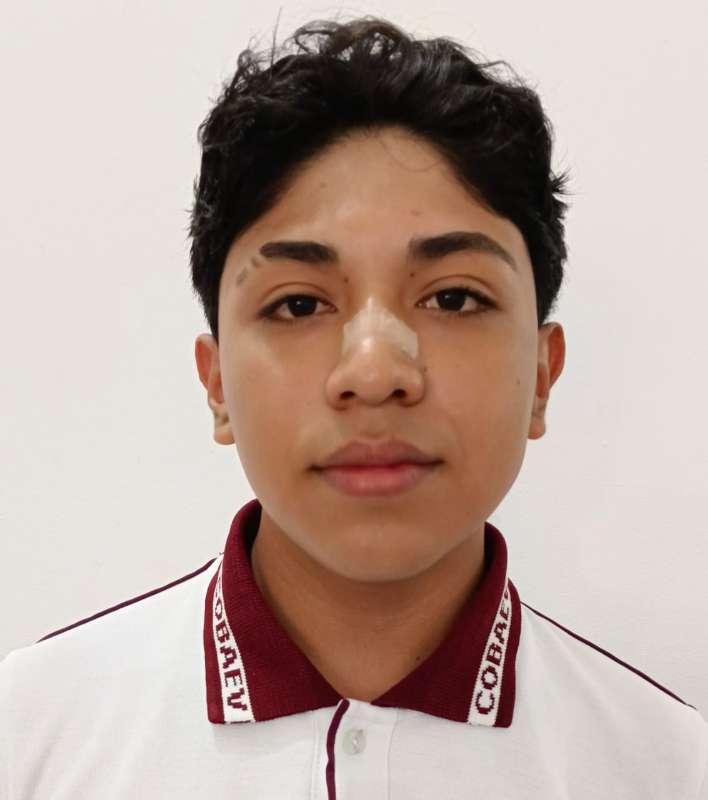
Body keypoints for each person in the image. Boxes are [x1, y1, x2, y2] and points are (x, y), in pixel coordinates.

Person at [1, 14, 706, 800]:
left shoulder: (667, 769)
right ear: (217, 383)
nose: (374, 373)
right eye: (299, 304)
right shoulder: (28, 737)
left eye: (453, 297)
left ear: (542, 375)